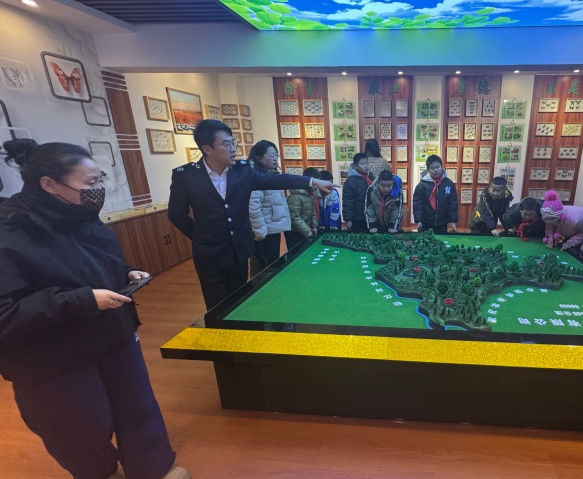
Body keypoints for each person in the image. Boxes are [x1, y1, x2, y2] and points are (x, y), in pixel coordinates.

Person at [0, 139, 190, 479]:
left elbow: (89, 264)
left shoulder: (81, 215)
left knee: (137, 405)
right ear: (50, 184)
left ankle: (153, 468)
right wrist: (84, 299)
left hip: (112, 332)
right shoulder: (11, 231)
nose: (98, 190)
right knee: (77, 424)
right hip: (51, 354)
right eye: (89, 183)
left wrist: (125, 272)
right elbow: (7, 312)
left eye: (99, 179)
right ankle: (100, 473)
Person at [168, 120, 336, 310]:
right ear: (207, 149)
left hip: (239, 251)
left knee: (239, 301)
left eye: (233, 142)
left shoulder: (242, 171)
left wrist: (312, 181)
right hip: (209, 257)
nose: (233, 149)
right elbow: (176, 215)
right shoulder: (187, 177)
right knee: (217, 308)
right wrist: (200, 237)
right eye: (226, 144)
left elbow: (274, 180)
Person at [248, 140, 291, 275]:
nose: (275, 159)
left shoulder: (272, 175)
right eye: (271, 155)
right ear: (259, 158)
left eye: (276, 155)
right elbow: (253, 208)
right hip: (264, 232)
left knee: (271, 264)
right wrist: (260, 233)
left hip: (273, 229)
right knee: (262, 267)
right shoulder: (256, 178)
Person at [413, 155, 458, 232]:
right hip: (426, 222)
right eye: (432, 168)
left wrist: (453, 220)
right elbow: (418, 204)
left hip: (442, 222)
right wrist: (419, 220)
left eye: (438, 167)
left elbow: (452, 203)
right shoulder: (421, 185)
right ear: (428, 170)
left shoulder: (449, 184)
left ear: (441, 167)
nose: (436, 170)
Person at [285, 167, 320, 251]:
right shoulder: (295, 197)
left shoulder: (310, 194)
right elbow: (294, 217)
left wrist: (314, 226)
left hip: (305, 230)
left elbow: (313, 212)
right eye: (316, 184)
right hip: (294, 232)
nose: (318, 186)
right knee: (296, 253)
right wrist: (306, 231)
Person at [342, 153, 372, 231]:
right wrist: (348, 219)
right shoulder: (350, 182)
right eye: (362, 164)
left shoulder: (371, 178)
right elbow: (347, 201)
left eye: (367, 163)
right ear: (355, 166)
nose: (366, 166)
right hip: (357, 219)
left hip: (371, 217)